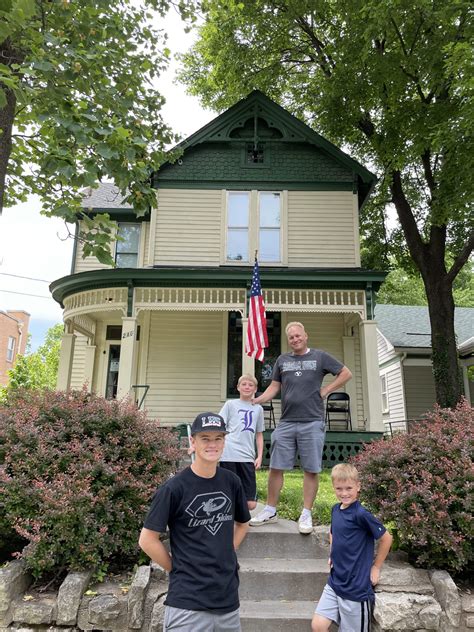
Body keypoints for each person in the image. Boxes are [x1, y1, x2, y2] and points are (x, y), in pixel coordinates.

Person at [138, 412, 251, 632]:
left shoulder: (232, 482)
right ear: (193, 441)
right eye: (205, 438)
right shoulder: (174, 488)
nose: (212, 444)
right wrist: (176, 567)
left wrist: (228, 550)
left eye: (218, 438)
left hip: (227, 602)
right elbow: (147, 540)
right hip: (188, 605)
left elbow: (243, 523)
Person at [250, 321, 352, 534]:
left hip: (312, 421)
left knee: (311, 468)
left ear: (305, 335)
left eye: (298, 335)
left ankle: (306, 513)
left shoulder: (319, 356)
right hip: (286, 422)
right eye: (291, 337)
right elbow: (274, 387)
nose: (295, 339)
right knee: (276, 467)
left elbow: (345, 373)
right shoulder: (282, 360)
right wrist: (257, 400)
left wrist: (326, 390)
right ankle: (270, 509)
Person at [312, 464, 393, 632]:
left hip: (356, 589)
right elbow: (333, 532)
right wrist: (332, 554)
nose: (344, 493)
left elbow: (386, 538)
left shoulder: (361, 514)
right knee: (318, 625)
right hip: (335, 583)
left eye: (349, 488)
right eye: (339, 488)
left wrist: (376, 567)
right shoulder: (336, 509)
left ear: (358, 486)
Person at [219, 374, 265, 510]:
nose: (247, 387)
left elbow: (259, 434)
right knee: (228, 495)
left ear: (255, 389)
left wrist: (260, 456)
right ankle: (230, 521)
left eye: (251, 385)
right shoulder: (230, 404)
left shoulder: (258, 409)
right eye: (244, 384)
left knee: (251, 503)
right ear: (238, 387)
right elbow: (219, 426)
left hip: (247, 456)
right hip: (229, 454)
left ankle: (240, 519)